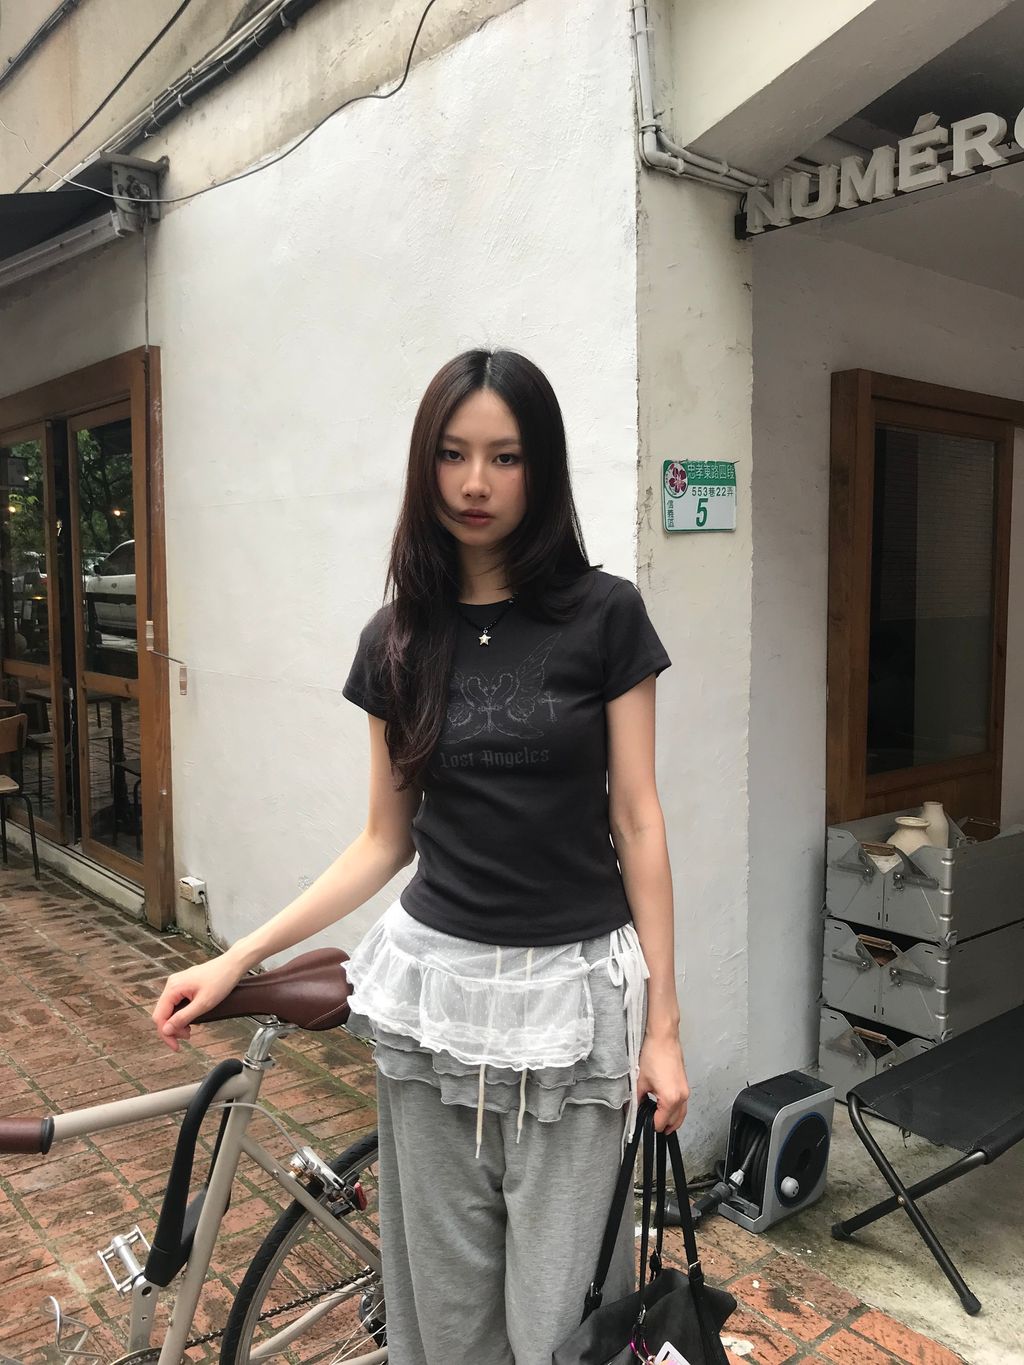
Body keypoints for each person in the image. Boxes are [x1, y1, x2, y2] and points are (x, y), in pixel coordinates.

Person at [152, 348, 689, 1365]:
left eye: (505, 456)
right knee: (445, 1321)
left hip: (574, 1009)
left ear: (541, 470)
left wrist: (664, 1027)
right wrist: (237, 957)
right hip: (434, 1005)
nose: (475, 482)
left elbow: (638, 819)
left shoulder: (604, 615)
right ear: (424, 465)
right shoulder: (396, 638)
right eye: (452, 454)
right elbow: (383, 840)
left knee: (565, 1323)